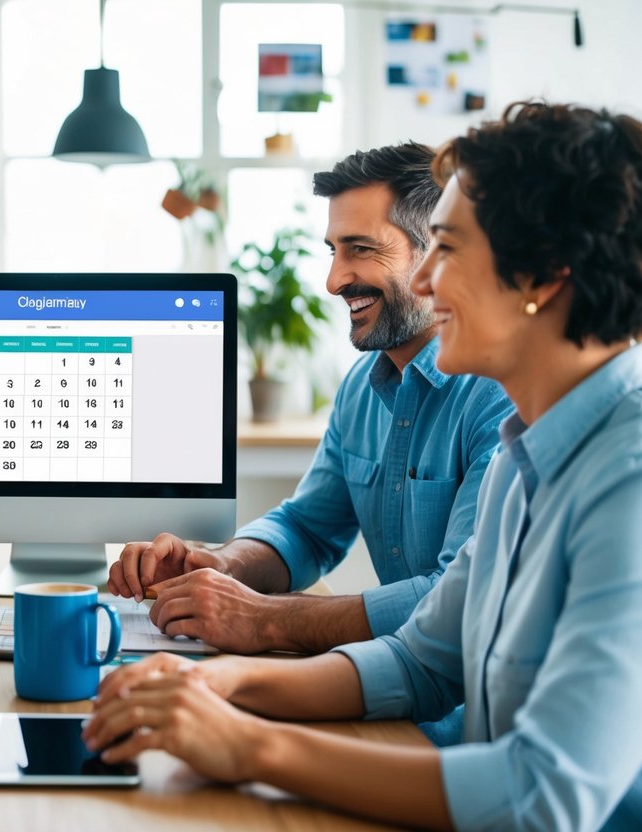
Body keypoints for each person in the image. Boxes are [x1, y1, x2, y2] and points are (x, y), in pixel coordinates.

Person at [85, 101, 642, 831]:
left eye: (445, 249)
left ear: (541, 277)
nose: (424, 282)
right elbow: (419, 660)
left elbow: (542, 794)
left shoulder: (625, 475)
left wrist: (250, 745)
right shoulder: (525, 449)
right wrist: (210, 681)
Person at [108, 143, 512, 663]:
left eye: (362, 249)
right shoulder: (363, 385)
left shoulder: (499, 396)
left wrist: (263, 619)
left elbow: (453, 603)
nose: (334, 280)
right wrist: (218, 566)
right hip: (390, 684)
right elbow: (308, 528)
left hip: (458, 717)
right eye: (333, 250)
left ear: (436, 255)